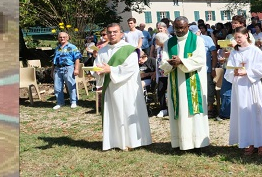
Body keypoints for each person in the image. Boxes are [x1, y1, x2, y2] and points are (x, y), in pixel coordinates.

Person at [94, 23, 152, 151]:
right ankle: (115, 141)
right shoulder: (102, 50)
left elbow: (130, 68)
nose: (112, 34)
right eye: (109, 32)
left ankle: (132, 141)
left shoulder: (129, 49)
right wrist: (97, 71)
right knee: (114, 113)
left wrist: (111, 70)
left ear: (121, 33)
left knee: (126, 112)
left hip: (126, 87)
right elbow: (97, 66)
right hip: (110, 87)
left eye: (115, 32)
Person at [160, 16, 211, 150]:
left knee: (193, 112)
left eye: (182, 27)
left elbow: (200, 59)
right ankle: (180, 142)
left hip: (192, 81)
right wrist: (171, 63)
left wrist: (182, 61)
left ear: (187, 26)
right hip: (175, 81)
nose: (179, 30)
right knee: (179, 110)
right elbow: (163, 61)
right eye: (176, 28)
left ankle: (199, 143)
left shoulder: (197, 41)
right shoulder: (169, 42)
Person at [225, 26, 262, 155]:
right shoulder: (234, 52)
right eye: (235, 38)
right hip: (239, 87)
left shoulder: (255, 51)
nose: (237, 40)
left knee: (255, 113)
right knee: (244, 115)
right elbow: (228, 70)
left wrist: (247, 72)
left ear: (246, 35)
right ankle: (249, 142)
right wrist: (233, 72)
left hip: (252, 86)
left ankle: (261, 144)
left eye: (239, 37)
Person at [52, 31, 82, 109]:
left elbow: (77, 58)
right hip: (58, 69)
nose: (62, 38)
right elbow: (54, 60)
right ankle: (60, 102)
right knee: (57, 87)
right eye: (60, 37)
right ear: (58, 38)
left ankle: (73, 101)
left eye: (64, 37)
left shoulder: (72, 47)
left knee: (70, 85)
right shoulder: (57, 48)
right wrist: (52, 70)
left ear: (67, 38)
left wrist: (76, 69)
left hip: (68, 68)